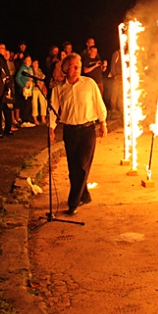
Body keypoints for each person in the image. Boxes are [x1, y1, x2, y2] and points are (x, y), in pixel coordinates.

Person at [48, 53, 107, 215]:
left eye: (78, 67)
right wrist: (51, 128)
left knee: (81, 165)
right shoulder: (59, 88)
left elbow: (98, 102)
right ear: (66, 68)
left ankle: (73, 202)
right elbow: (53, 109)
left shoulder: (89, 84)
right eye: (73, 66)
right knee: (73, 168)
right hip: (70, 131)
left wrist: (103, 122)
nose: (76, 70)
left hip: (88, 130)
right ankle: (85, 195)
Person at [13, 55, 36, 127]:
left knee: (28, 104)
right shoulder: (22, 68)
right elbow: (17, 77)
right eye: (27, 60)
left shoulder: (30, 69)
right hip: (25, 90)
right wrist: (22, 85)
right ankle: (24, 120)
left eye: (30, 60)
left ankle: (27, 119)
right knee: (25, 104)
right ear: (24, 61)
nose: (29, 61)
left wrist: (33, 83)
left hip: (30, 89)